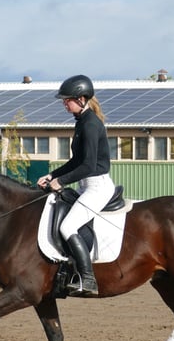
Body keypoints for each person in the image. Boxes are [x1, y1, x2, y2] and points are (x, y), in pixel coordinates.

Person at [37, 74, 115, 296]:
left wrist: (60, 182)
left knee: (67, 227)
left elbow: (88, 165)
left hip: (97, 187)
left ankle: (88, 279)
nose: (64, 103)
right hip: (86, 185)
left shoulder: (90, 124)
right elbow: (75, 162)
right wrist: (51, 175)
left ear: (81, 98)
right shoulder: (82, 122)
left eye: (67, 99)